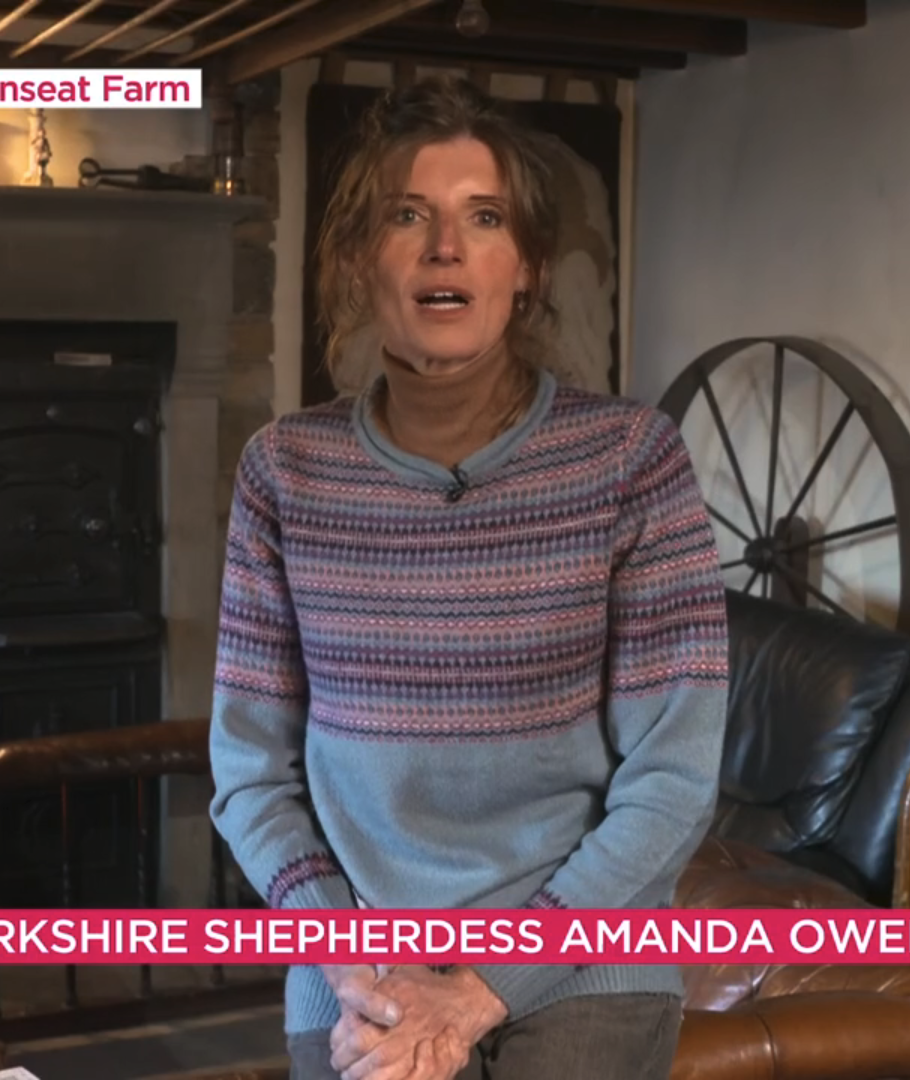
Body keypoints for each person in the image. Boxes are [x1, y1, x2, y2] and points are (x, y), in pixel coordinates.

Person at [208, 77, 730, 1080]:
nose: (445, 247)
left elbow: (672, 779)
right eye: (410, 217)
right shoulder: (285, 471)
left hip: (586, 965)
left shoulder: (630, 459)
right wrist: (345, 950)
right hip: (360, 971)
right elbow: (249, 771)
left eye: (482, 219)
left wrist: (485, 987)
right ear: (364, 262)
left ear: (525, 268)